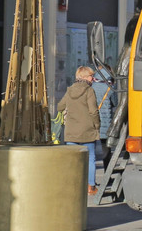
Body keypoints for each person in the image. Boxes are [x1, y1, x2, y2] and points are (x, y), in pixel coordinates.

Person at [57, 66, 102, 195]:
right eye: (90, 76)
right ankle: (91, 187)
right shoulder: (89, 91)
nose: (92, 79)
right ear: (83, 77)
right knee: (90, 159)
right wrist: (97, 125)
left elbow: (60, 106)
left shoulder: (70, 90)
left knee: (73, 160)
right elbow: (93, 111)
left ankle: (72, 186)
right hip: (87, 131)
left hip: (71, 132)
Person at [90, 64, 116, 168]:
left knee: (91, 152)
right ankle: (107, 176)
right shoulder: (110, 87)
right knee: (106, 151)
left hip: (92, 122)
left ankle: (90, 181)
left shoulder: (91, 86)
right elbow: (114, 102)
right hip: (105, 123)